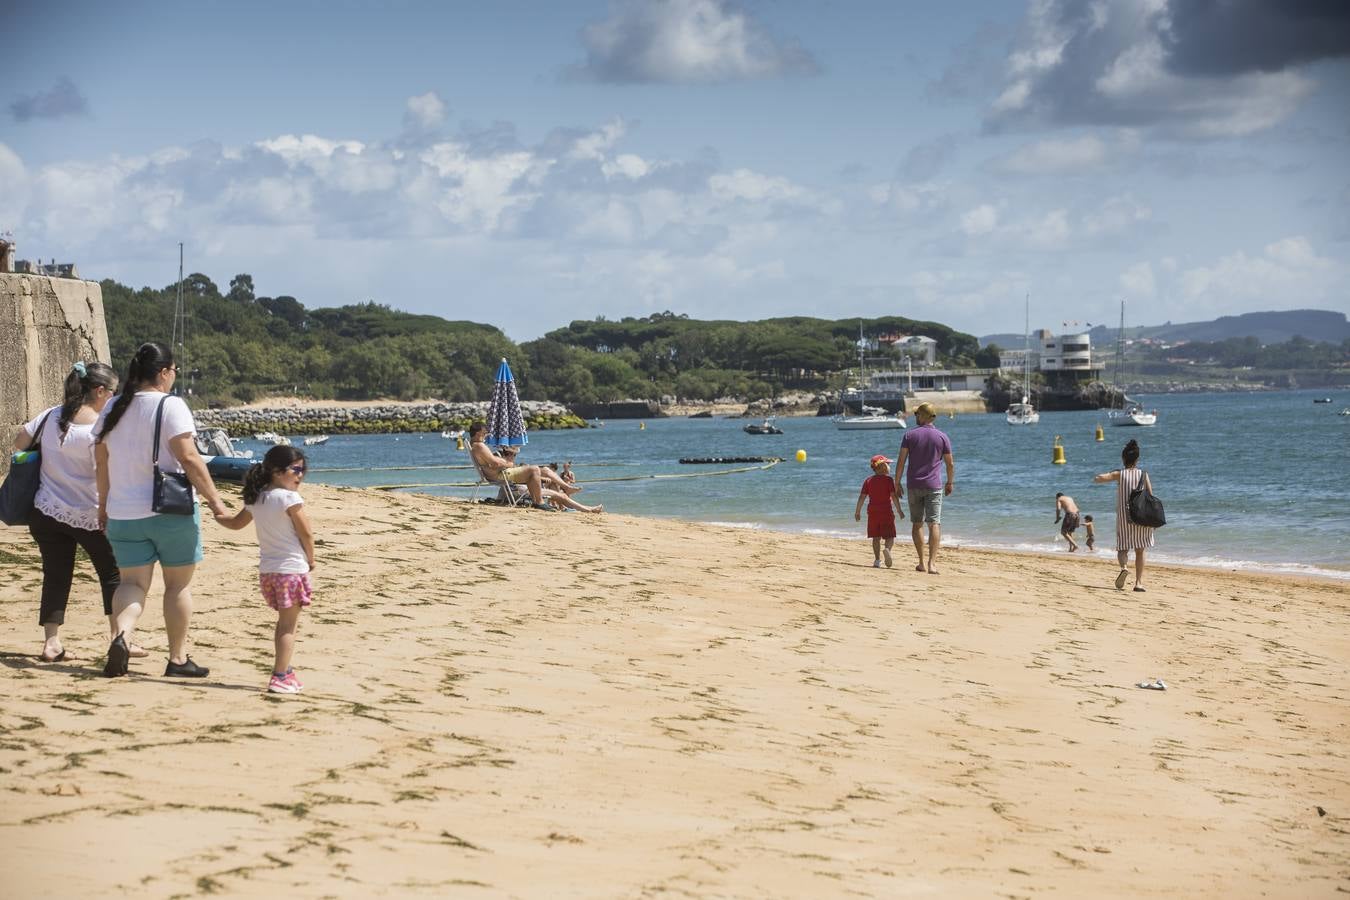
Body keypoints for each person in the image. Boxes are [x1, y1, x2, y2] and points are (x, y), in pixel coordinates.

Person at [95, 342, 229, 678]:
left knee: (132, 585)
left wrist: (103, 505)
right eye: (173, 371)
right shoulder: (171, 406)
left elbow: (101, 462)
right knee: (177, 587)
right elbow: (188, 457)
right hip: (171, 511)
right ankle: (178, 659)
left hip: (123, 513)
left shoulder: (112, 407)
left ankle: (122, 636)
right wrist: (216, 501)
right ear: (164, 372)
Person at [12, 361, 129, 663]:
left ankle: (51, 643)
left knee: (56, 575)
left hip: (46, 509)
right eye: (112, 392)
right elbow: (106, 470)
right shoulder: (100, 428)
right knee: (113, 574)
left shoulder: (51, 415)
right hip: (89, 513)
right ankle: (120, 637)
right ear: (100, 391)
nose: (114, 398)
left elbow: (20, 442)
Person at [214, 446, 315, 694]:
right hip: (290, 570)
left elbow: (236, 524)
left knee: (284, 623)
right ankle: (279, 675)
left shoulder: (257, 498)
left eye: (303, 470)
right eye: (297, 470)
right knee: (287, 626)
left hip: (268, 572)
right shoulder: (289, 498)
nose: (301, 475)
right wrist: (311, 559)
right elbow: (307, 533)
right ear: (277, 471)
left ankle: (287, 671)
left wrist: (217, 512)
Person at [893, 402, 954, 574]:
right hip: (934, 486)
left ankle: (921, 561)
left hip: (914, 485)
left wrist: (896, 483)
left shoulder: (909, 435)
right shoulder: (942, 437)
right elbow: (950, 464)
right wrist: (950, 482)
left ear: (924, 416)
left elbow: (901, 462)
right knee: (934, 523)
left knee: (917, 523)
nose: (916, 417)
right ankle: (931, 564)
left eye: (917, 414)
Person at [1093, 438, 1156, 592]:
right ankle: (1138, 583)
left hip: (1124, 518)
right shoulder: (1144, 474)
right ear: (1137, 459)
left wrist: (1108, 473)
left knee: (1123, 548)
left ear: (1123, 458)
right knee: (1140, 550)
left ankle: (1124, 568)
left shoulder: (1119, 474)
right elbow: (1151, 496)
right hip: (1141, 518)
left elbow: (1098, 479)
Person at [468, 422, 578, 506]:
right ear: (478, 433)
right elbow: (494, 462)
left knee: (544, 470)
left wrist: (503, 461)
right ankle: (539, 502)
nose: (486, 435)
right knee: (533, 469)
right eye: (484, 433)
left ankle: (566, 487)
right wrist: (508, 462)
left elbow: (494, 462)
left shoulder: (476, 446)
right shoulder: (479, 446)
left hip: (501, 472)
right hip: (500, 476)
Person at [499, 445, 603, 513]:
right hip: (520, 491)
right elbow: (517, 481)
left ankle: (566, 487)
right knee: (561, 495)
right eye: (513, 454)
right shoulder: (504, 464)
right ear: (507, 454)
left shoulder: (505, 464)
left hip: (520, 489)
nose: (514, 456)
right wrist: (541, 479)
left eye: (515, 454)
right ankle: (588, 509)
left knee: (544, 469)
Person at [854, 454, 903, 568]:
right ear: (883, 467)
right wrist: (899, 510)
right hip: (886, 511)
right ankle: (887, 549)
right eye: (888, 464)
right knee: (890, 536)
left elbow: (862, 497)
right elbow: (894, 497)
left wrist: (857, 511)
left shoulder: (868, 480)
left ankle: (877, 560)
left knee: (876, 537)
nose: (889, 466)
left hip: (872, 512)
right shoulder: (889, 480)